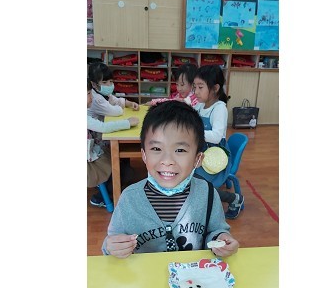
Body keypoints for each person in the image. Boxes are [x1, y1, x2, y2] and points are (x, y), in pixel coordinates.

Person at [102, 101, 239, 258]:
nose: (167, 161)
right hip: (145, 274)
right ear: (144, 155)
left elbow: (215, 230)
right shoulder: (129, 198)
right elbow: (113, 240)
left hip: (192, 272)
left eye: (180, 150)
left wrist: (221, 239)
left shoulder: (208, 194)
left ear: (198, 159)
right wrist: (111, 247)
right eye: (156, 149)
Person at [192, 65, 244, 219]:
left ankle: (233, 198)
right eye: (195, 87)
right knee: (186, 175)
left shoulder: (219, 108)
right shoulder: (200, 106)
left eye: (200, 87)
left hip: (216, 156)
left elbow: (216, 136)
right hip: (203, 151)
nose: (196, 92)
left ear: (215, 88)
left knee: (196, 183)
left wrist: (193, 132)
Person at [87, 79, 139, 207]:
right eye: (88, 94)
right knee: (122, 169)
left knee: (124, 168)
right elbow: (103, 127)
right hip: (90, 161)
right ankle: (101, 196)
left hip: (93, 149)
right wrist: (127, 123)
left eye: (90, 93)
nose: (91, 97)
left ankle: (114, 181)